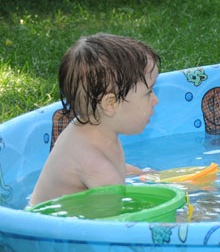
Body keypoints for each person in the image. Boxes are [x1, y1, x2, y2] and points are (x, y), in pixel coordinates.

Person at [28, 33, 160, 206]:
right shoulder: (99, 169)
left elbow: (115, 167)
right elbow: (115, 223)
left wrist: (140, 173)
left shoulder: (89, 132)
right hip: (48, 230)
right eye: (148, 92)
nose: (155, 100)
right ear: (110, 104)